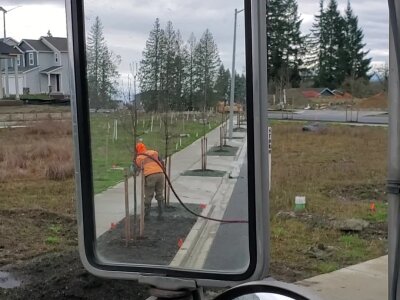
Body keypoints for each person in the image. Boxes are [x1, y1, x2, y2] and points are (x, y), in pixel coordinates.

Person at [135, 145, 165, 220]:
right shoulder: (153, 152)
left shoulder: (139, 158)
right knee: (160, 194)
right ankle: (161, 214)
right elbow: (161, 161)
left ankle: (146, 216)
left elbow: (137, 170)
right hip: (161, 174)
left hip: (150, 176)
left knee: (148, 195)